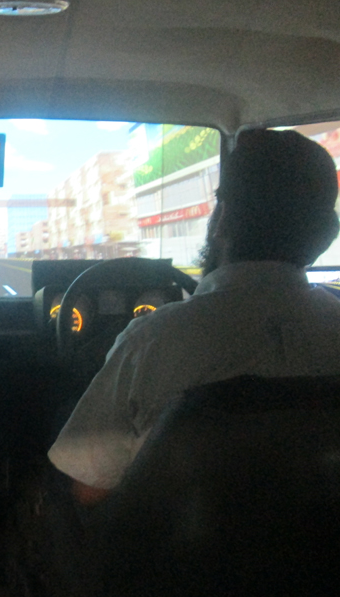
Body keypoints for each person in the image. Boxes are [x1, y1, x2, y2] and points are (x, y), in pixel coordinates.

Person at [48, 129, 340, 505]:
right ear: (324, 236)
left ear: (222, 220)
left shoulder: (152, 339)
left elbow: (88, 491)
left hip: (174, 541)